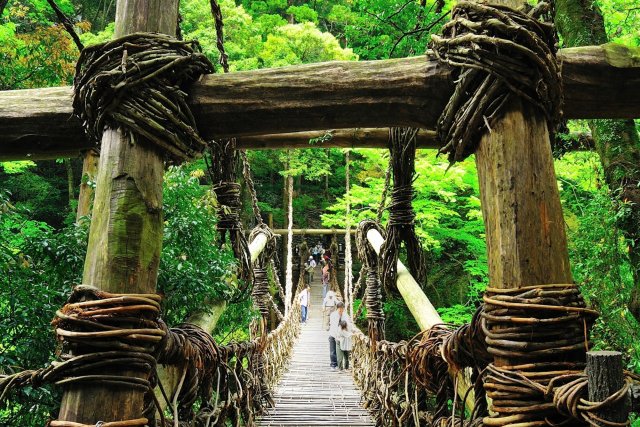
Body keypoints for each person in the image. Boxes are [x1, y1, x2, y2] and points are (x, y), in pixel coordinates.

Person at [328, 301, 350, 370]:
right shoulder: (333, 315)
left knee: (341, 351)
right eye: (339, 309)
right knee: (333, 351)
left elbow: (347, 325)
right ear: (337, 308)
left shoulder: (345, 315)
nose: (341, 310)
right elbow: (334, 326)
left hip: (342, 336)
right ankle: (333, 365)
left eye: (342, 309)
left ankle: (340, 365)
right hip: (333, 334)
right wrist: (337, 336)